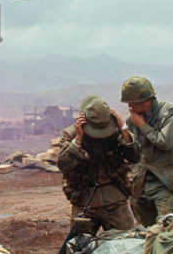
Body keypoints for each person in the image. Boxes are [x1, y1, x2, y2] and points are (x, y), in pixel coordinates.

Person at [57, 94, 141, 238]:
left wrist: (124, 130)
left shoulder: (116, 131)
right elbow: (64, 165)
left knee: (126, 246)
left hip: (115, 200)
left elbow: (135, 157)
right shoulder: (70, 135)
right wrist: (78, 139)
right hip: (84, 200)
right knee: (77, 248)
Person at [119, 76, 173, 227]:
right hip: (140, 186)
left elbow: (166, 142)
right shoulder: (132, 120)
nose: (129, 107)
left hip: (164, 183)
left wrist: (143, 125)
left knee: (169, 232)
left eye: (132, 103)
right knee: (149, 232)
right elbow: (133, 152)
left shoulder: (168, 111)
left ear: (145, 100)